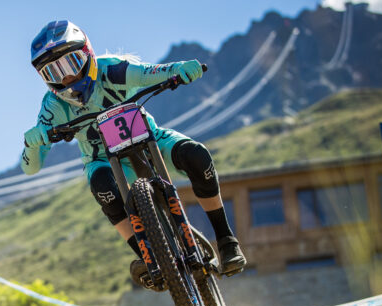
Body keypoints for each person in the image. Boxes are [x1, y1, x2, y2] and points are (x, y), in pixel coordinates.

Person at [21, 20, 246, 289]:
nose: (65, 78)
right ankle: (148, 258)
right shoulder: (53, 106)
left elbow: (151, 73)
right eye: (52, 72)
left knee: (197, 156)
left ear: (88, 53)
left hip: (151, 141)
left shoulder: (113, 69)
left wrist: (179, 69)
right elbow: (31, 168)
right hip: (103, 161)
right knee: (102, 186)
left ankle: (227, 241)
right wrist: (31, 145)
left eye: (70, 64)